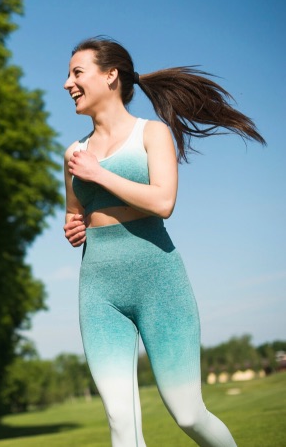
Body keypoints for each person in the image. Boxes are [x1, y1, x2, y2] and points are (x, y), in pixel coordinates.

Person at [62, 36, 265, 446]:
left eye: (77, 73)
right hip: (99, 291)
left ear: (111, 76)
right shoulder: (74, 152)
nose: (67, 83)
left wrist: (99, 174)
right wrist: (73, 227)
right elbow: (73, 213)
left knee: (188, 413)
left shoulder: (151, 134)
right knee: (121, 422)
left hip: (158, 282)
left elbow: (163, 201)